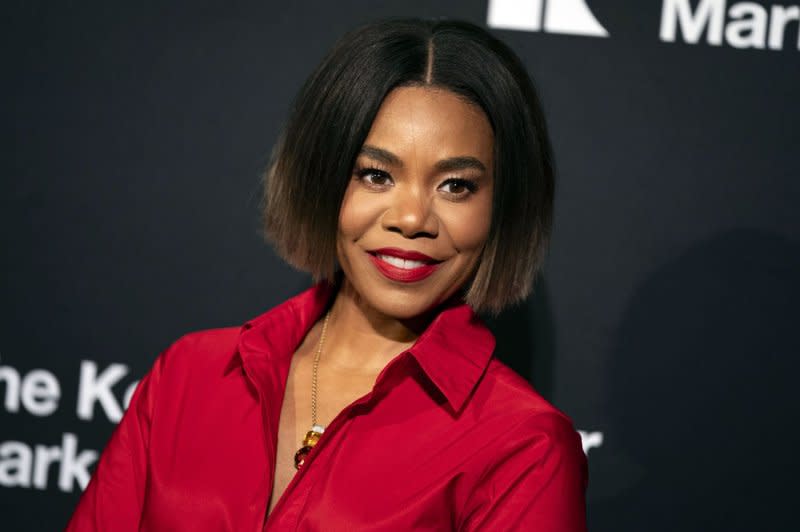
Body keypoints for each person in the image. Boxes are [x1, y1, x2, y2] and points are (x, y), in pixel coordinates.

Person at [67, 17, 587, 531]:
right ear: (322, 178)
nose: (410, 219)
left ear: (503, 208)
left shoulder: (525, 447)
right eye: (375, 175)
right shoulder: (189, 375)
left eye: (455, 186)